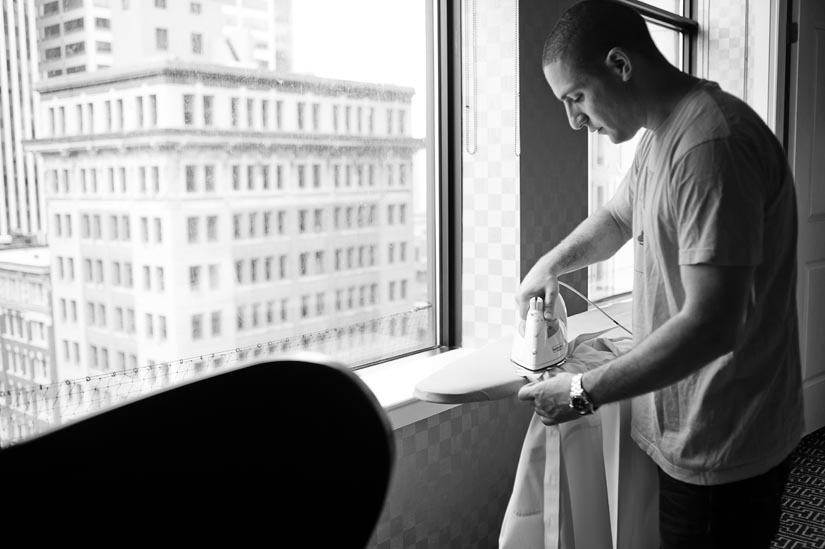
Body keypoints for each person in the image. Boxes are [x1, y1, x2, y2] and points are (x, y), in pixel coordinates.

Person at [515, 1, 805, 547]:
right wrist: (550, 263)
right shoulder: (661, 135)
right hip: (685, 424)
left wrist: (579, 392)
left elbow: (712, 325)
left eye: (575, 97)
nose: (574, 120)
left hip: (723, 439)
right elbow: (620, 215)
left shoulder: (709, 146)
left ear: (620, 65)